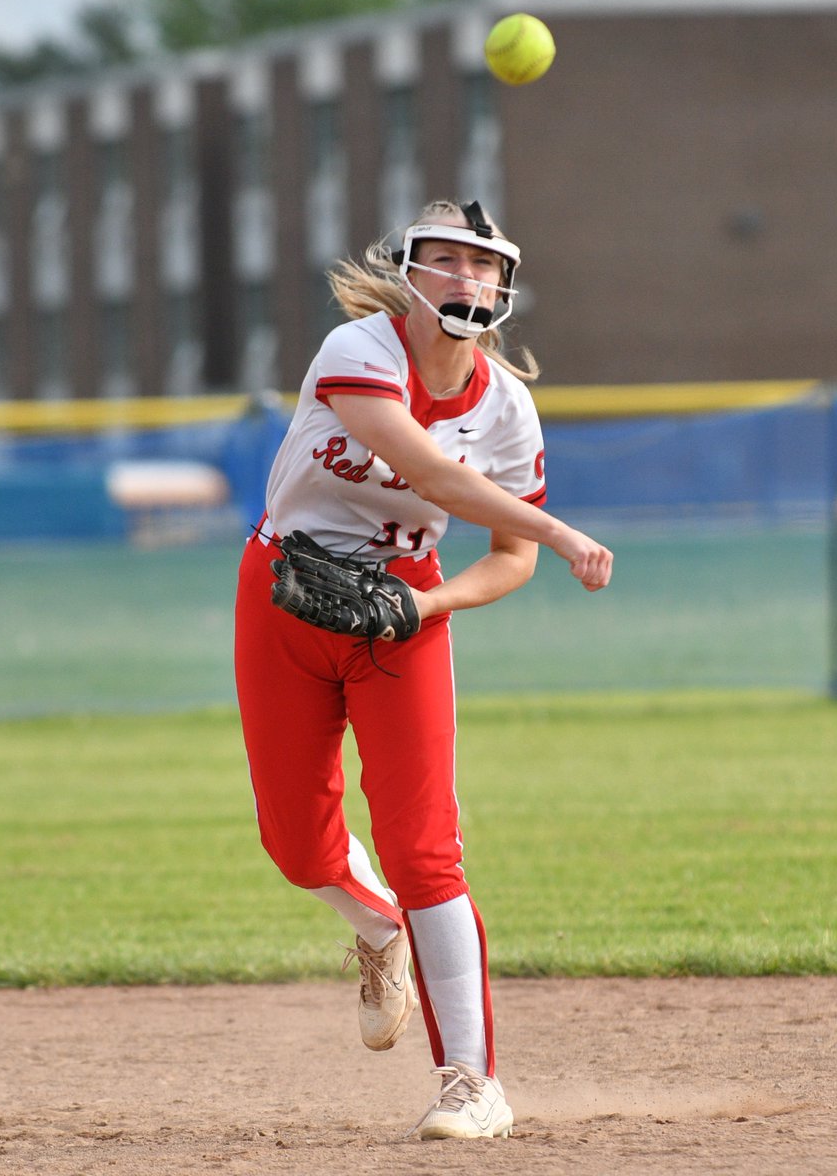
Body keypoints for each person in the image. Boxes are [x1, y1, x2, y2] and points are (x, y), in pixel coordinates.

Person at [234, 199, 613, 1140]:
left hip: (405, 611)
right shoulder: (357, 351)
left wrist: (426, 605)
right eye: (442, 259)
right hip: (286, 588)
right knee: (296, 845)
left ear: (505, 285)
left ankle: (472, 1084)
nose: (463, 278)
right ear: (408, 273)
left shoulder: (506, 408)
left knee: (422, 850)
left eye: (481, 264)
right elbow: (436, 476)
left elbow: (506, 560)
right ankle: (376, 930)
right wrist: (564, 532)